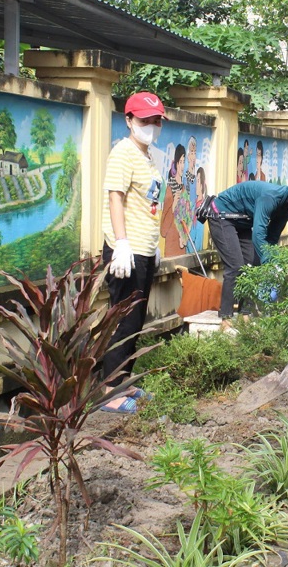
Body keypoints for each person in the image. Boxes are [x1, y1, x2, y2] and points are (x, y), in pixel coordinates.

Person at [99, 92, 166, 414]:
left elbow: (147, 205)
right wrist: (121, 243)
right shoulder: (123, 153)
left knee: (135, 319)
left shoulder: (148, 156)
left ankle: (124, 381)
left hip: (143, 249)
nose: (151, 126)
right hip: (125, 250)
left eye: (155, 121)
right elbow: (116, 198)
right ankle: (109, 391)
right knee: (122, 321)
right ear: (128, 120)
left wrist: (153, 247)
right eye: (144, 121)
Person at [208, 171, 288, 329]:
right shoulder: (270, 197)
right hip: (221, 214)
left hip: (243, 222)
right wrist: (269, 260)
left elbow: (272, 238)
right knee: (235, 266)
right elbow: (259, 234)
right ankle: (225, 318)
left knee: (252, 265)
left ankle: (245, 313)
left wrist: (273, 265)